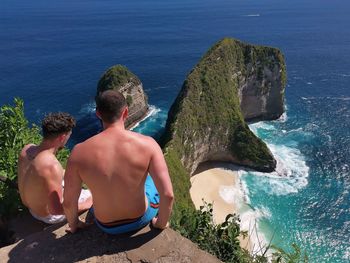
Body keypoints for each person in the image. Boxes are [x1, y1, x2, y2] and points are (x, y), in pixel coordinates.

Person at [63, 90, 174, 234]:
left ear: (98, 114)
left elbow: (68, 201)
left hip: (105, 225)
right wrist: (160, 224)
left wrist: (74, 224)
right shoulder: (148, 144)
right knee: (150, 179)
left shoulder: (78, 152)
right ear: (126, 112)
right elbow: (168, 195)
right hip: (139, 219)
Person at [17, 113, 92, 224]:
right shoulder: (51, 165)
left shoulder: (27, 149)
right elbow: (56, 210)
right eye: (68, 136)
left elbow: (42, 173)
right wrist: (88, 203)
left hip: (31, 208)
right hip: (48, 215)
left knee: (67, 177)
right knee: (92, 194)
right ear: (62, 137)